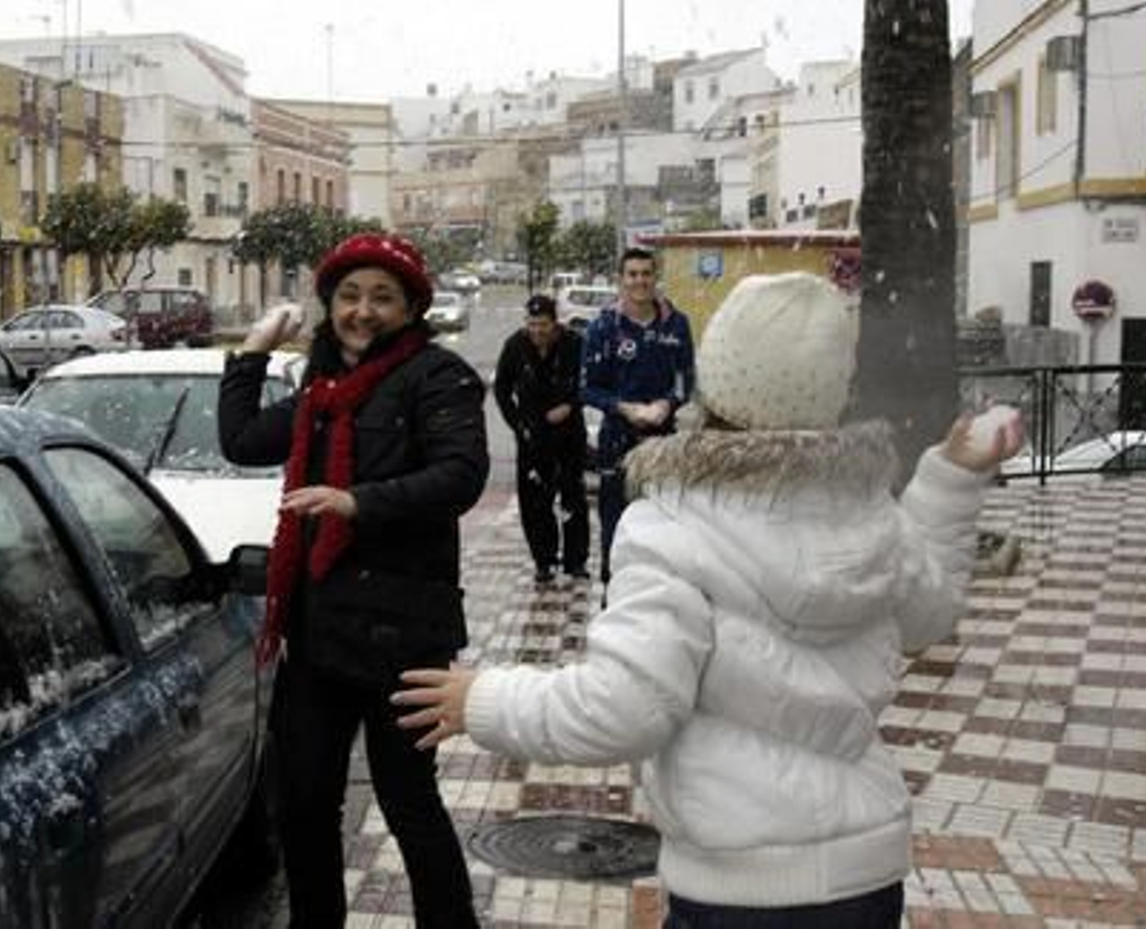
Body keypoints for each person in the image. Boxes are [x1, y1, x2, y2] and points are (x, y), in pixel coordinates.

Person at [391, 272, 1026, 927]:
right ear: (835, 393)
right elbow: (931, 612)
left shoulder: (674, 525)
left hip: (736, 889)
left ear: (714, 381)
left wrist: (487, 699)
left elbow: (625, 709)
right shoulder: (869, 513)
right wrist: (951, 479)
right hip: (865, 877)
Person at [218, 231, 488, 928]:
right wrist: (250, 353)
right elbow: (243, 441)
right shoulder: (321, 390)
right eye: (348, 296)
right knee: (304, 802)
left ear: (410, 307)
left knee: (407, 802)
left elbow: (461, 475)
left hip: (406, 636)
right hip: (319, 634)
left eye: (381, 297)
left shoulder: (439, 376)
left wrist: (358, 503)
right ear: (330, 303)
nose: (361, 311)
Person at [581, 246, 695, 586]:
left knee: (663, 517)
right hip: (617, 438)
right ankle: (613, 589)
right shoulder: (603, 327)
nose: (640, 281)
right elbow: (587, 388)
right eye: (632, 274)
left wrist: (668, 403)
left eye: (646, 274)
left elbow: (686, 379)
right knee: (614, 519)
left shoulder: (677, 324)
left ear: (655, 276)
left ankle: (659, 589)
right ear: (621, 279)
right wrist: (623, 407)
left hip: (663, 439)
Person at [493, 293, 589, 584]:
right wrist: (518, 424)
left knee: (573, 496)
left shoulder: (574, 343)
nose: (537, 331)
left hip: (569, 433)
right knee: (535, 501)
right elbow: (501, 389)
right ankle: (544, 560)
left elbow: (589, 381)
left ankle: (575, 561)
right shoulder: (516, 345)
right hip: (532, 437)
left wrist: (570, 405)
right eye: (532, 324)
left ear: (554, 323)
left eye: (543, 325)